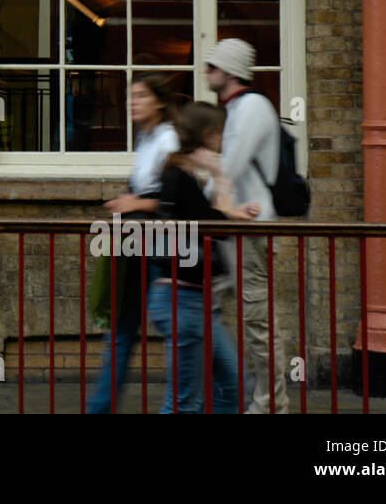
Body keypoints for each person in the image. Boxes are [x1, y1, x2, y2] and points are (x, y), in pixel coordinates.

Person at [191, 38, 289, 414]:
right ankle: (225, 393)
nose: (207, 71)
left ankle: (270, 404)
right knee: (199, 308)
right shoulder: (234, 109)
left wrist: (203, 172)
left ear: (230, 71)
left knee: (258, 322)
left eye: (213, 66)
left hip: (252, 227)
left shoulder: (252, 107)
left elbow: (228, 168)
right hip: (231, 226)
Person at [148, 101, 259, 413]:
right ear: (210, 136)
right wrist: (221, 177)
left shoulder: (181, 178)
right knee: (184, 403)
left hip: (193, 301)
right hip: (182, 301)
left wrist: (232, 212)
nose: (225, 141)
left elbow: (203, 218)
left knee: (233, 386)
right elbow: (213, 229)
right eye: (222, 134)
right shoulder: (179, 178)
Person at [86, 72, 179, 413]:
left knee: (172, 327)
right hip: (137, 242)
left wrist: (134, 202)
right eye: (131, 96)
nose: (133, 102)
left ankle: (184, 405)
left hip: (161, 245)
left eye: (141, 96)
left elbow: (174, 200)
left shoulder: (168, 140)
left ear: (160, 101)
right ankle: (100, 407)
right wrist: (129, 201)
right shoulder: (147, 138)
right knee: (122, 327)